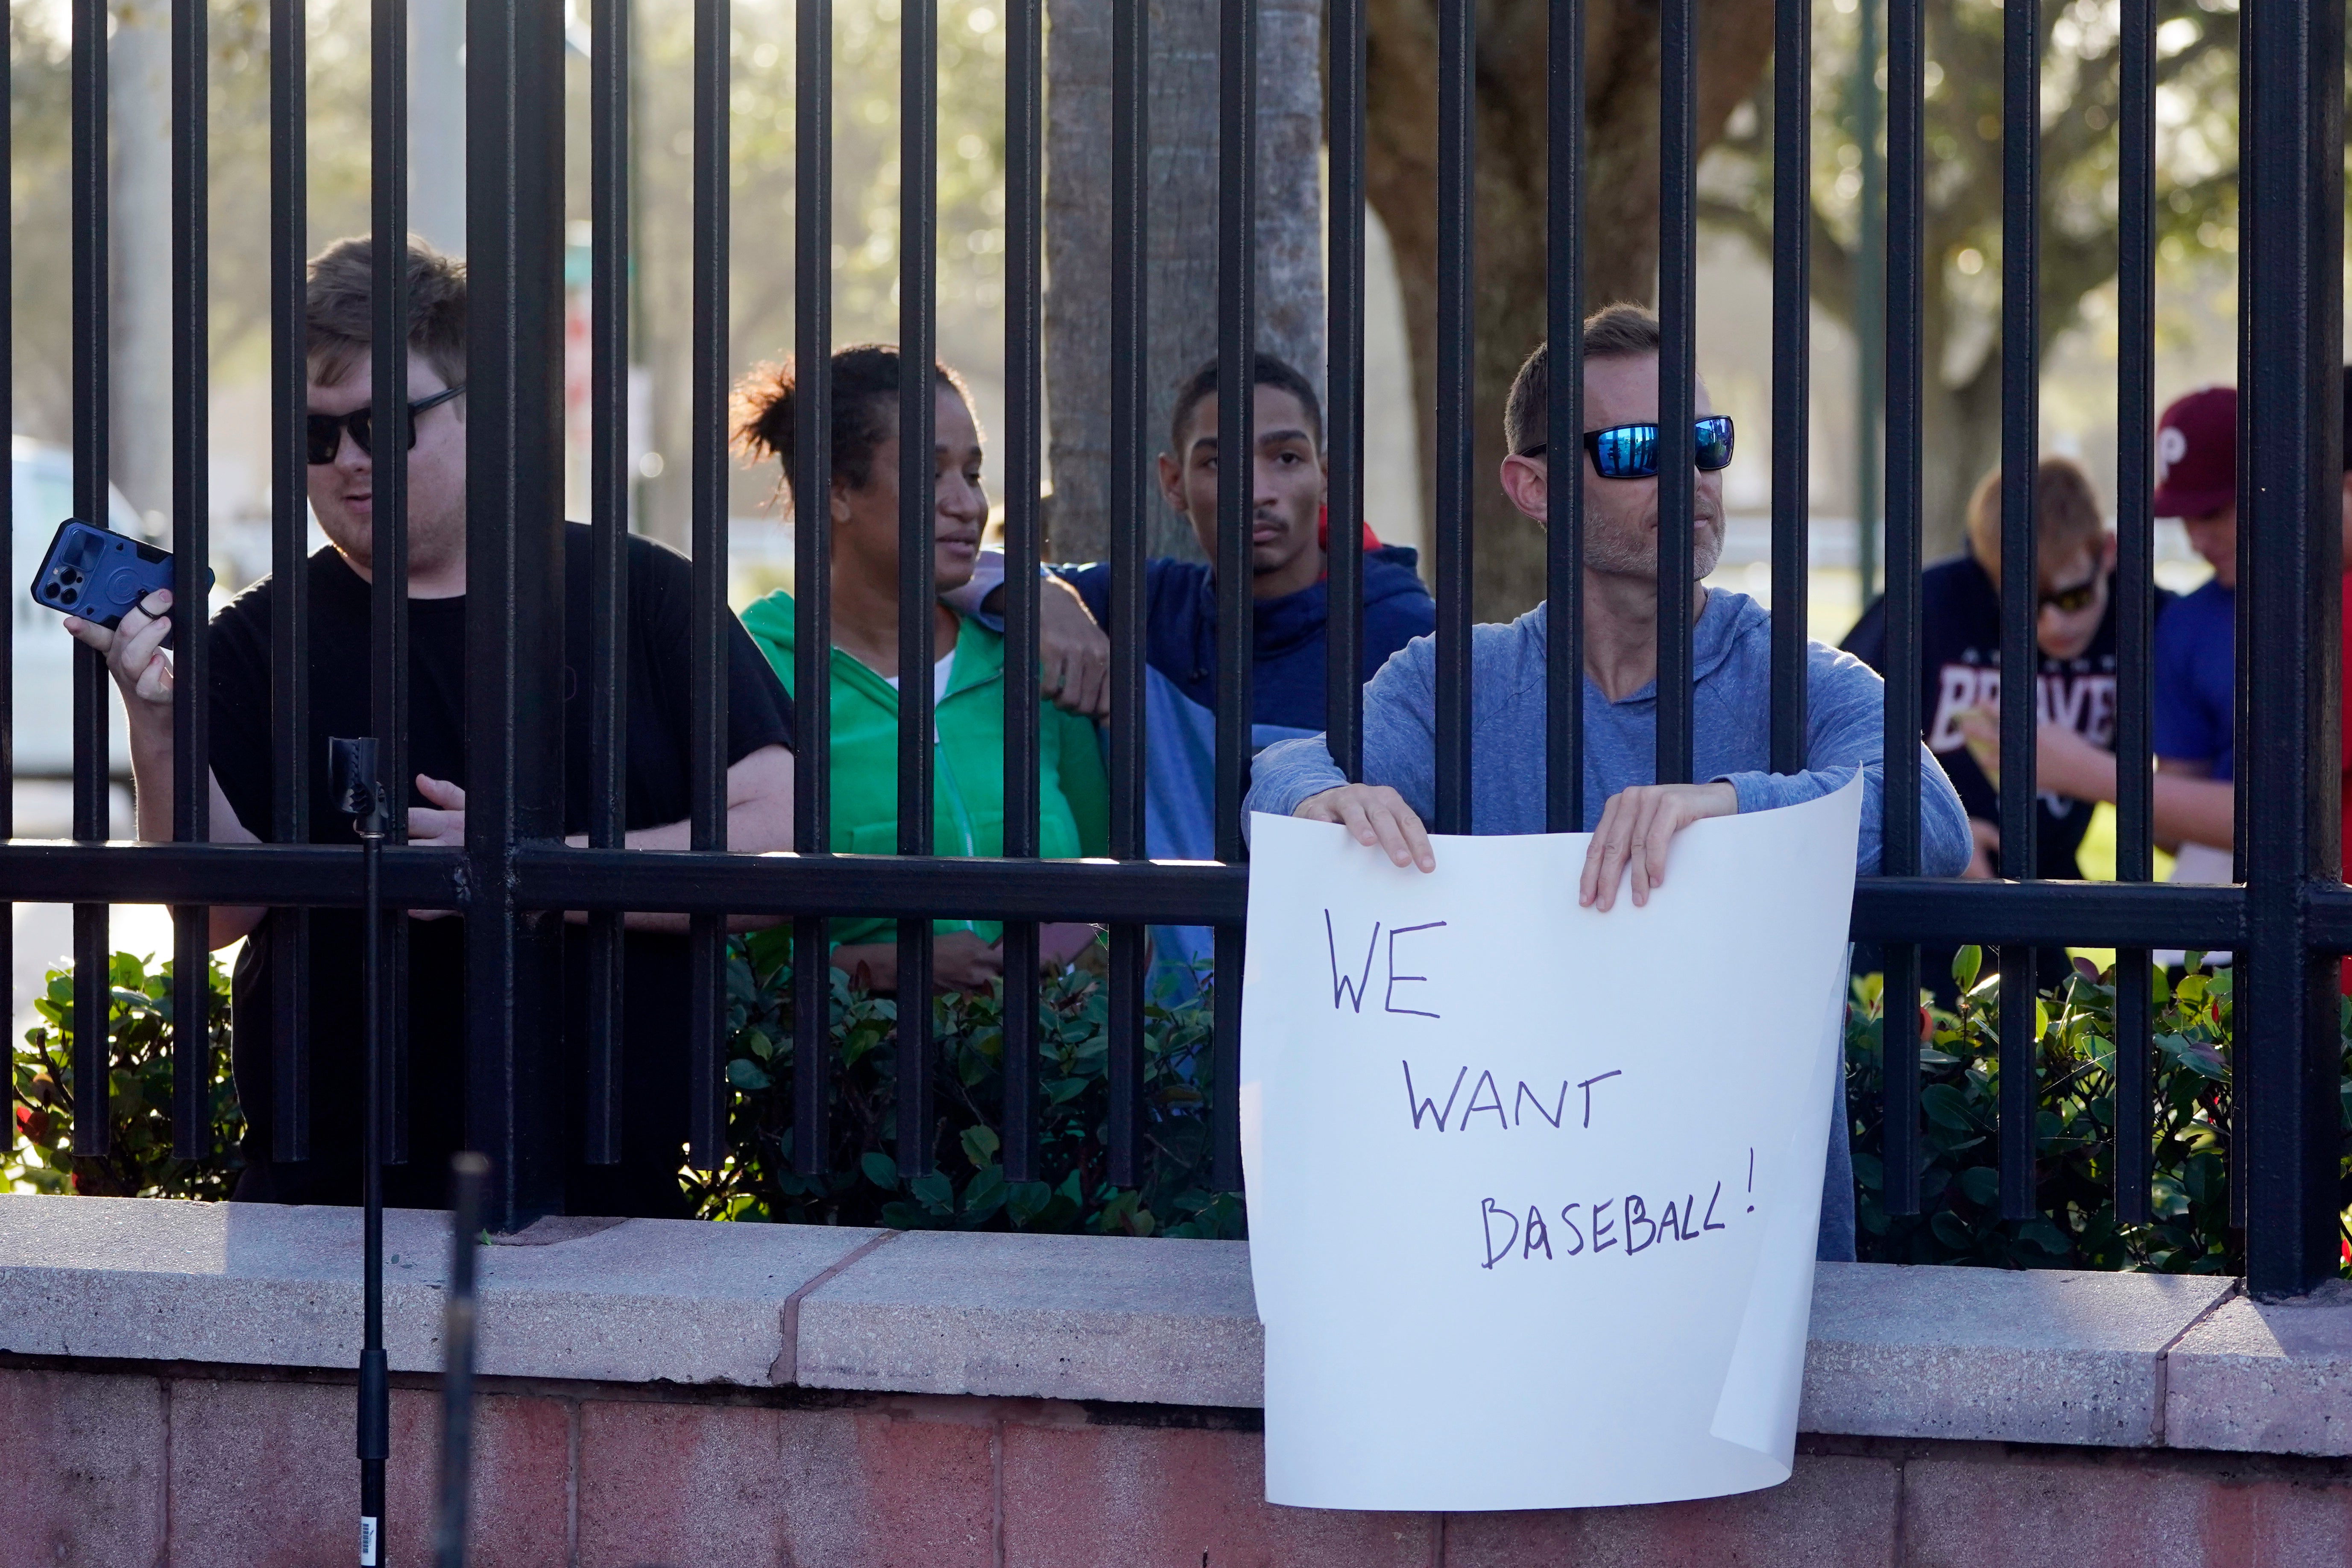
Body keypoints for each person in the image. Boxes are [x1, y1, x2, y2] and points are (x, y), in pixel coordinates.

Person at [67, 237, 798, 1217]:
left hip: (603, 1185)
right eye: (317, 436)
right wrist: (155, 721)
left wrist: (527, 869)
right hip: (325, 1184)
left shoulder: (642, 592)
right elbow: (216, 912)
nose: (349, 463)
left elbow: (778, 839)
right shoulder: (256, 637)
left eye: (381, 424)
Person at [1243, 303, 1973, 1261]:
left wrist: (1724, 805)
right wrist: (1313, 800)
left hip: (1741, 1273)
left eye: (1704, 444)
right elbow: (1287, 774)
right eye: (1637, 450)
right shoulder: (1453, 682)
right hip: (1498, 1256)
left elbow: (1932, 820)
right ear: (1532, 486)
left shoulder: (1795, 677)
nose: (1690, 480)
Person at [950, 351, 1437, 996]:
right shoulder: (1144, 608)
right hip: (1160, 1050)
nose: (1255, 488)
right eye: (1216, 462)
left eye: (1285, 458)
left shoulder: (1408, 638)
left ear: (1326, 472)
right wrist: (1042, 594)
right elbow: (956, 570)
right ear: (1173, 483)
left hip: (1347, 1016)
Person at [733, 346, 1107, 992]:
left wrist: (1077, 948)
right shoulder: (753, 672)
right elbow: (718, 949)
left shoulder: (1031, 663)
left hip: (1054, 1080)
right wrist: (881, 969)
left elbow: (1126, 886)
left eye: (973, 471)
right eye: (931, 474)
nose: (967, 504)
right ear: (838, 492)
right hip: (840, 1088)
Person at [1842, 457, 2162, 996]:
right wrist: (1934, 833)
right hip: (1921, 906)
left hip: (2044, 904)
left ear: (2105, 553)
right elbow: (1830, 748)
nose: (2052, 625)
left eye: (2072, 598)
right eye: (2022, 606)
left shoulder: (2147, 616)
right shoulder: (1931, 605)